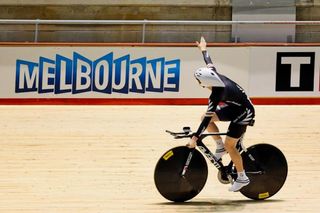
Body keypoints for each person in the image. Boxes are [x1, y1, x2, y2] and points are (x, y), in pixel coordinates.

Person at [187, 36, 255, 192]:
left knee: (230, 145)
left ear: (205, 82)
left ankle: (242, 177)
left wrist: (194, 138)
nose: (198, 83)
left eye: (198, 81)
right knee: (206, 117)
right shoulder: (213, 75)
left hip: (244, 113)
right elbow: (208, 61)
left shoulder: (217, 94)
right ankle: (219, 147)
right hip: (236, 107)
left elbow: (204, 125)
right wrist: (203, 49)